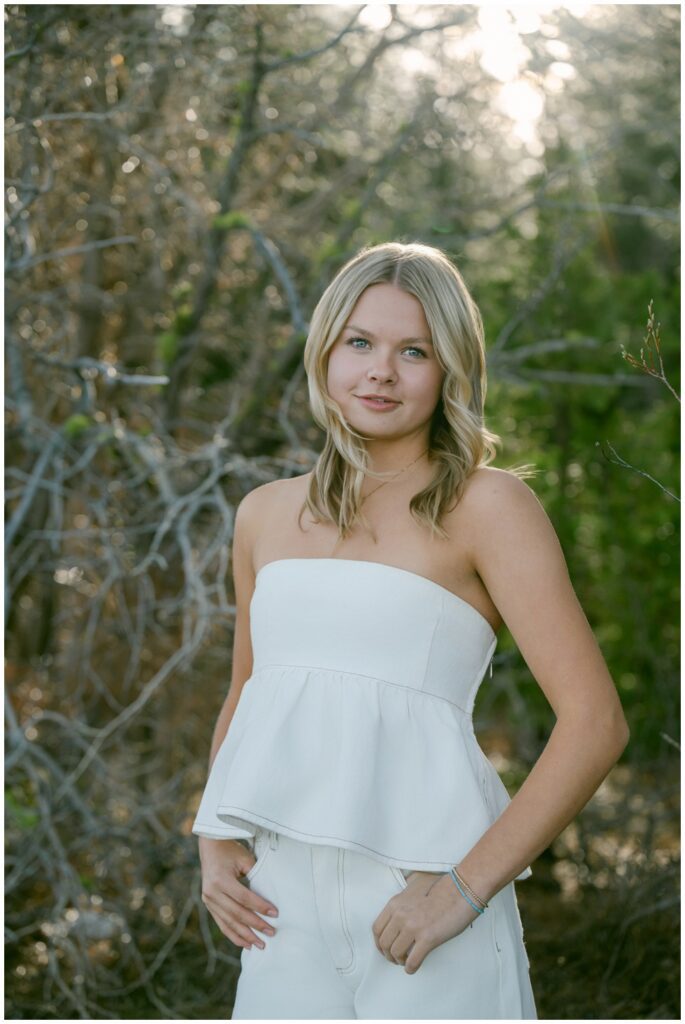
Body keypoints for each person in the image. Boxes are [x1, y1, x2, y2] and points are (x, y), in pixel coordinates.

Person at [192, 240, 630, 1020]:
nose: (379, 372)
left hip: (424, 904)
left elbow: (594, 723)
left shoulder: (488, 507)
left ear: (450, 368)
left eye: (413, 351)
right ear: (325, 350)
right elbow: (248, 692)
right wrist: (213, 839)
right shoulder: (263, 512)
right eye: (359, 342)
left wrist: (464, 889)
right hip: (280, 910)